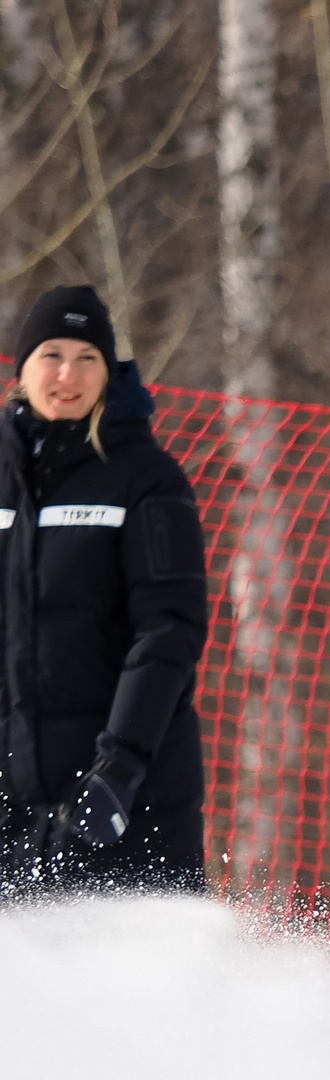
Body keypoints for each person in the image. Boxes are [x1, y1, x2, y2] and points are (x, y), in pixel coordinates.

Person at [0, 285, 209, 893]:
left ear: (109, 372)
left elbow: (168, 630)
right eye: (52, 354)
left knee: (143, 985)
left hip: (127, 802)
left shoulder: (145, 478)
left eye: (88, 356)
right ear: (23, 368)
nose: (69, 374)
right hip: (14, 807)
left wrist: (118, 768)